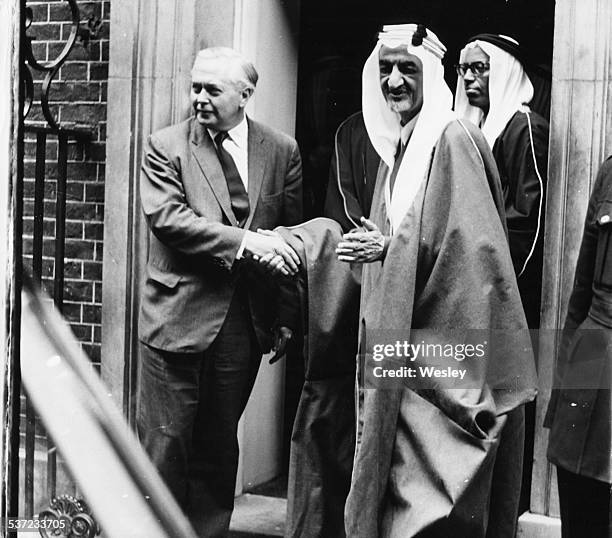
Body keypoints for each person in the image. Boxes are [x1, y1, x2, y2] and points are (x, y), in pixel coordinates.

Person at [336, 24, 537, 537]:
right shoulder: (398, 149)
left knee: (429, 510)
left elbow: (472, 253)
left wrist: (391, 250)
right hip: (398, 360)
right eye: (386, 69)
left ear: (431, 74)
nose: (395, 82)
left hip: (438, 365)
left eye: (408, 69)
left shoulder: (452, 137)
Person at [136, 47, 303, 537]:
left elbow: (290, 235)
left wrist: (286, 315)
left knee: (216, 447)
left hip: (243, 325)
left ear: (245, 95)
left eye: (212, 90)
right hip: (177, 317)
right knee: (165, 446)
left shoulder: (281, 150)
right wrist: (247, 242)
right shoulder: (165, 146)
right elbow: (170, 221)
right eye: (195, 87)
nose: (199, 98)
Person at [454, 34, 550, 537]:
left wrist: (494, 289)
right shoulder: (478, 128)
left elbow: (526, 223)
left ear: (505, 73)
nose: (469, 79)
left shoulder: (523, 128)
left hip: (504, 298)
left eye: (481, 70)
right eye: (464, 70)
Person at [544, 158, 612, 538]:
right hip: (592, 353)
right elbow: (582, 289)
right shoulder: (609, 173)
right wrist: (562, 387)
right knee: (578, 499)